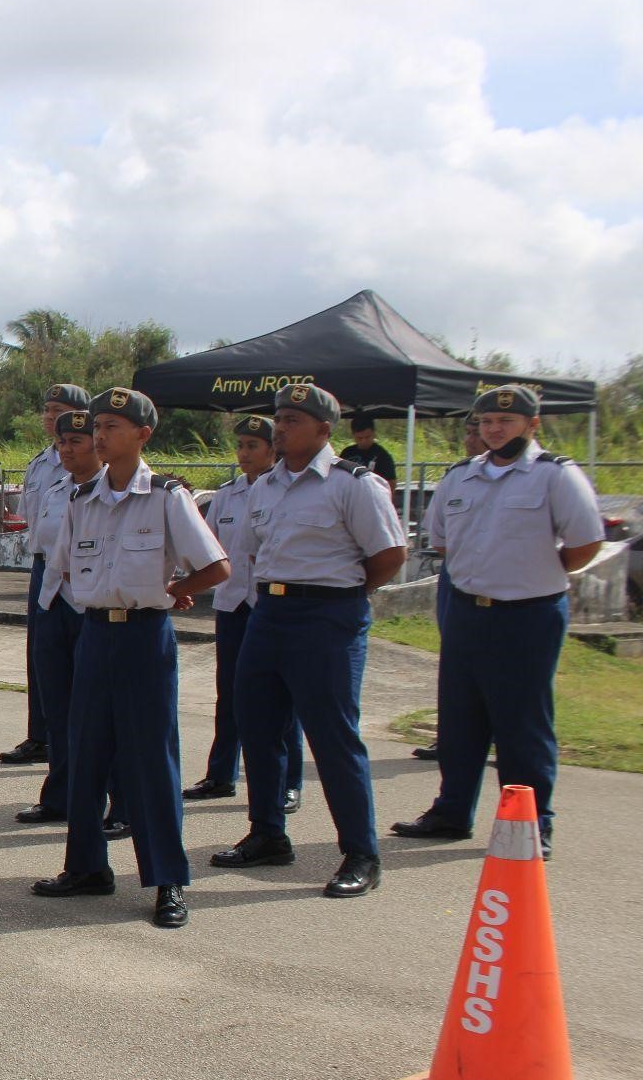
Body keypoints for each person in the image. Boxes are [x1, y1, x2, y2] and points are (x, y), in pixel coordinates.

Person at [32, 388, 229, 929]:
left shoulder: (166, 497)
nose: (100, 436)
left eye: (113, 426)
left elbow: (215, 565)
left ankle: (168, 880)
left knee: (150, 762)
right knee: (85, 753)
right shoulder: (81, 499)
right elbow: (66, 566)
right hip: (95, 634)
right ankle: (86, 867)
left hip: (145, 637)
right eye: (97, 426)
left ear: (143, 435)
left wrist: (176, 587)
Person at [390, 384, 602, 860]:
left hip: (527, 613)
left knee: (521, 723)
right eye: (486, 423)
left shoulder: (555, 476)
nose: (493, 430)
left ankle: (529, 822)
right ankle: (452, 811)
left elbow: (585, 542)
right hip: (467, 609)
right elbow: (441, 540)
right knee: (460, 719)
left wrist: (537, 571)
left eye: (505, 422)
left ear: (532, 425)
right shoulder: (461, 476)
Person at [212, 384, 406, 899]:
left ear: (325, 429)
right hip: (269, 612)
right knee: (258, 726)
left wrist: (341, 595)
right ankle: (268, 833)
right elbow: (254, 551)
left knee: (333, 736)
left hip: (328, 616)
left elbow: (387, 555)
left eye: (293, 419)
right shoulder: (265, 486)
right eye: (279, 418)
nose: (280, 427)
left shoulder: (354, 485)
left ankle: (361, 852)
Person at [14, 411, 129, 839]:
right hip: (51, 596)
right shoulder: (58, 489)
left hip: (92, 604)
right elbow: (43, 546)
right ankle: (61, 795)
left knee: (103, 711)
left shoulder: (110, 492)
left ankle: (121, 802)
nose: (67, 450)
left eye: (76, 441)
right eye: (62, 442)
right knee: (58, 706)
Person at [184, 417, 304, 810]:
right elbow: (209, 545)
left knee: (280, 697)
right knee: (230, 694)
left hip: (270, 606)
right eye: (241, 445)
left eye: (254, 445)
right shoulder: (226, 495)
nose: (244, 453)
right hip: (233, 604)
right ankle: (221, 773)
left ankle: (288, 782)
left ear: (273, 450)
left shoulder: (284, 490)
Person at [3, 385, 90, 765]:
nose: (49, 417)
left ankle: (74, 745)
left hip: (80, 570)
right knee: (41, 656)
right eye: (47, 409)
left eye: (58, 410)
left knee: (81, 662)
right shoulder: (40, 463)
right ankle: (41, 735)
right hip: (43, 565)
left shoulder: (94, 465)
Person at [412, 417, 487, 763]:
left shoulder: (542, 476)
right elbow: (439, 538)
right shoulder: (457, 477)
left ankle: (503, 738)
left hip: (515, 597)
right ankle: (450, 738)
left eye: (478, 431)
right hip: (457, 583)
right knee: (456, 669)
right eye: (470, 431)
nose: (473, 438)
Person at [339, 415, 398, 487]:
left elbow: (391, 482)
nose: (364, 441)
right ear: (353, 435)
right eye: (359, 438)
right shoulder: (347, 453)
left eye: (367, 437)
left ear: (374, 433)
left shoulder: (382, 456)